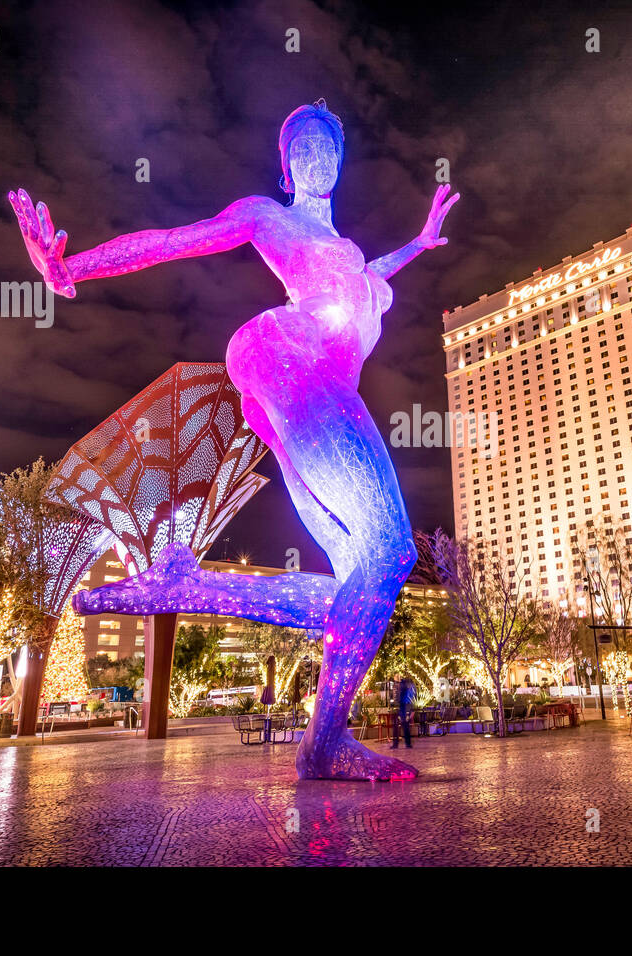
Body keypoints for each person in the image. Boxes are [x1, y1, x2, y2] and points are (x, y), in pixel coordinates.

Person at [24, 100, 459, 781]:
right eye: (303, 148)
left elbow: (368, 272)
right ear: (286, 167)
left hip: (321, 392)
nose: (318, 157)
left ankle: (191, 585)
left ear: (340, 165)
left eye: (328, 148)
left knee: (365, 584)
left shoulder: (352, 262)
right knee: (392, 548)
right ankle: (323, 746)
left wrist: (419, 242)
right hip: (293, 360)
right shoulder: (270, 218)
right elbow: (175, 240)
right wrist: (70, 268)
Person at [391, 673, 415, 750]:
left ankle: (397, 744)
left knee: (398, 726)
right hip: (404, 707)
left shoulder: (398, 685)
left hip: (402, 707)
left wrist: (396, 706)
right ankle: (407, 743)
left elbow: (397, 697)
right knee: (404, 726)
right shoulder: (405, 685)